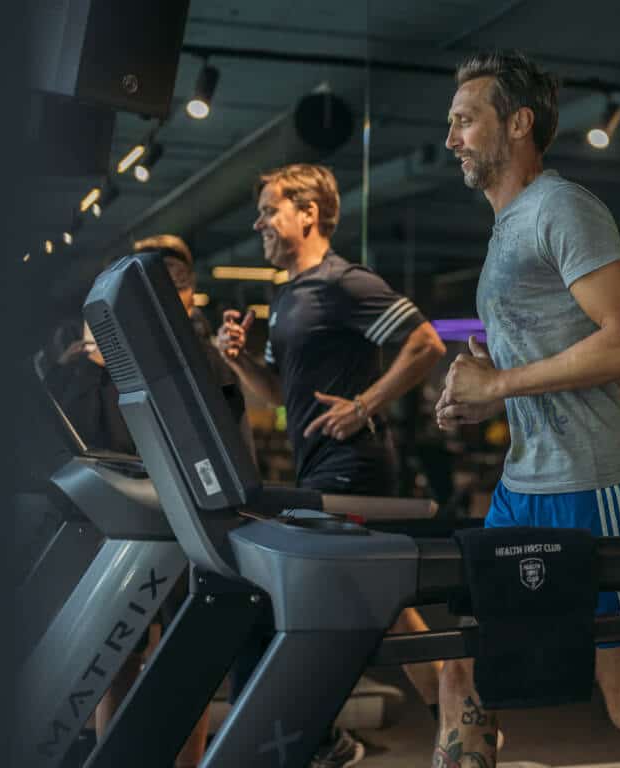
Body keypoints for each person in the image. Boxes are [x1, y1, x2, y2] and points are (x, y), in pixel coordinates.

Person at [433, 49, 620, 767]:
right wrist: (478, 388)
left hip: (593, 481)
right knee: (462, 658)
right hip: (524, 484)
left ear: (517, 123)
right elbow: (545, 357)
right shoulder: (507, 228)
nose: (452, 137)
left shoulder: (561, 207)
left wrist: (495, 387)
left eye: (465, 120)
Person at [217, 163, 447, 767]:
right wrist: (240, 361)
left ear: (308, 213)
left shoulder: (344, 282)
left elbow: (426, 342)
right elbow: (274, 393)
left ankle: (322, 740)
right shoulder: (287, 295)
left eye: (269, 210)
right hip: (319, 466)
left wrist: (366, 403)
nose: (259, 222)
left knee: (299, 592)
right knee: (389, 607)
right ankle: (463, 716)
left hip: (355, 466)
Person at [45, 234, 243, 768]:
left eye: (176, 287)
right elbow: (80, 434)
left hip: (191, 517)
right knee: (119, 648)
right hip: (121, 518)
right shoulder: (98, 359)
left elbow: (227, 422)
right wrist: (90, 356)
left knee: (186, 648)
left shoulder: (198, 357)